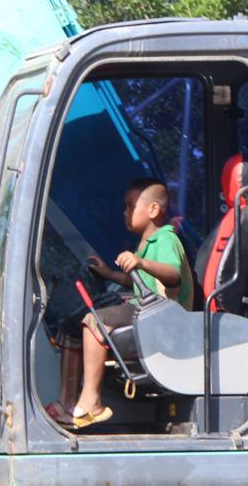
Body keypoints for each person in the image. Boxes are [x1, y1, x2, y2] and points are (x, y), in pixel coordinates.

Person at [49, 177, 194, 428]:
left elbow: (173, 275)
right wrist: (109, 274)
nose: (124, 212)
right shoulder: (146, 243)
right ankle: (66, 402)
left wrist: (141, 262)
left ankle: (91, 401)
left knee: (95, 321)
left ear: (153, 210)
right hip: (146, 309)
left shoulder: (166, 239)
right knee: (72, 325)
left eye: (130, 206)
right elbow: (138, 281)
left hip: (164, 317)